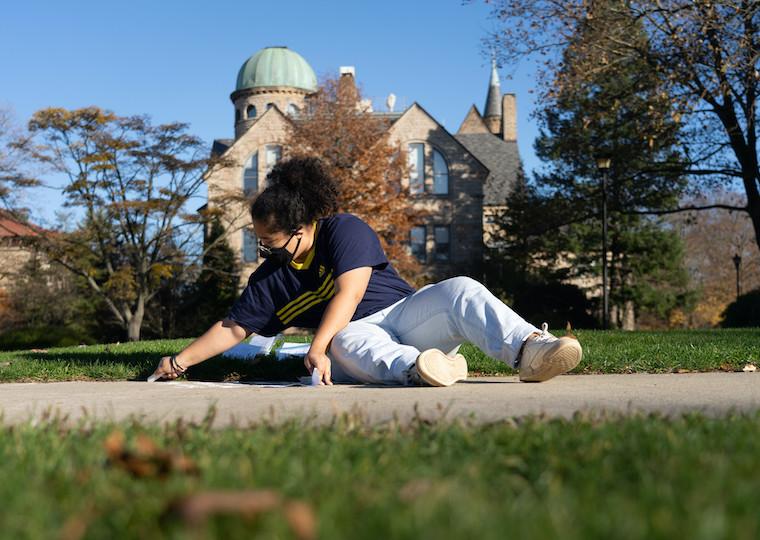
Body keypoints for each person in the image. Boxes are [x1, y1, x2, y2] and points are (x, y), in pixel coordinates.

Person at [150, 157, 582, 386]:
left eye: (270, 240)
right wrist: (177, 362)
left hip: (405, 314)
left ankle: (531, 352)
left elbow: (349, 294)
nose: (263, 247)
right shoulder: (269, 279)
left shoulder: (345, 229)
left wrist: (315, 347)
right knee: (345, 342)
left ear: (300, 230)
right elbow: (232, 329)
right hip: (364, 339)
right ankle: (424, 369)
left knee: (461, 288)